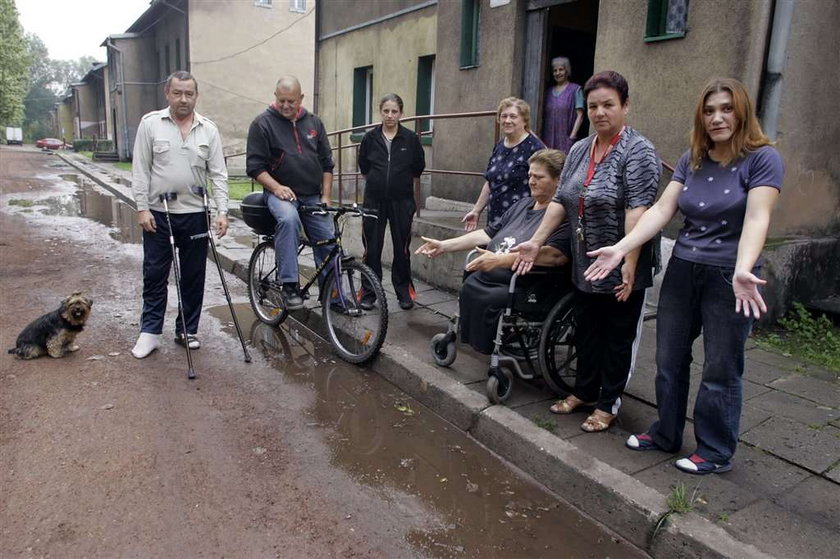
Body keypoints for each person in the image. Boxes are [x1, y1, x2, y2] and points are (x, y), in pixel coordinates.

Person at [584, 78, 784, 474]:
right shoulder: (694, 156)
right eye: (709, 111)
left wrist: (744, 267)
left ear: (742, 111)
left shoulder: (762, 159)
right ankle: (665, 433)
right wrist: (623, 247)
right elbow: (661, 211)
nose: (717, 118)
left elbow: (758, 218)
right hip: (684, 269)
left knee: (720, 367)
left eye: (726, 109)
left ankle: (714, 450)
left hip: (731, 275)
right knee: (669, 358)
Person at [513, 71, 661, 433]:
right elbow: (562, 199)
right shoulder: (580, 149)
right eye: (593, 106)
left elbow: (638, 212)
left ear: (625, 106)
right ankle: (583, 391)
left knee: (616, 337)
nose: (599, 112)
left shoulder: (638, 152)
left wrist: (629, 264)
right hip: (585, 262)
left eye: (608, 105)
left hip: (624, 264)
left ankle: (608, 403)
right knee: (586, 331)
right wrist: (538, 241)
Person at [417, 149, 570, 354]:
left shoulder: (562, 216)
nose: (531, 181)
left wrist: (499, 260)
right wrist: (445, 245)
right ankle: (472, 337)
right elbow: (487, 234)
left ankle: (489, 346)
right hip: (494, 274)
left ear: (558, 180)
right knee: (471, 281)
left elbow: (555, 256)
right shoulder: (523, 205)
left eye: (539, 177)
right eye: (530, 176)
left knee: (488, 296)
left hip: (525, 283)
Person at [130, 71, 229, 359]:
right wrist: (142, 207)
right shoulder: (151, 124)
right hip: (159, 213)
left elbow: (219, 174)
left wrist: (222, 212)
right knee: (155, 272)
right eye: (178, 93)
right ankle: (149, 332)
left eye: (189, 93)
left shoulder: (209, 129)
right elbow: (140, 169)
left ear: (196, 96)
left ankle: (187, 329)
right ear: (167, 94)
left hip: (196, 212)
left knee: (194, 275)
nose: (183, 99)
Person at [246, 75, 335, 310]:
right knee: (288, 219)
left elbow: (327, 164)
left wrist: (325, 196)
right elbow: (255, 167)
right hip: (279, 194)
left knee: (328, 237)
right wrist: (276, 187)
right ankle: (289, 285)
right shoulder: (262, 124)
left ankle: (332, 297)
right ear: (275, 97)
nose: (286, 106)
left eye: (291, 101)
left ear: (301, 99)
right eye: (281, 100)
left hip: (312, 195)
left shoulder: (314, 123)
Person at [358, 93, 426, 310]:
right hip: (374, 201)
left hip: (402, 202)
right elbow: (364, 168)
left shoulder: (410, 139)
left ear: (401, 113)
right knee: (372, 248)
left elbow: (418, 167)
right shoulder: (370, 138)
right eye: (386, 111)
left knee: (402, 249)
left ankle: (404, 292)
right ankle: (369, 293)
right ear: (381, 112)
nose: (389, 115)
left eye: (394, 111)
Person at [462, 97, 546, 232]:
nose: (507, 121)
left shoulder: (535, 148)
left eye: (513, 116)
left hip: (521, 220)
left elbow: (546, 186)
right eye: (504, 116)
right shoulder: (500, 146)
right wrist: (476, 210)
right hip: (495, 218)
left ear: (524, 120)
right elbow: (491, 181)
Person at [543, 56, 584, 154]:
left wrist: (571, 137)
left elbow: (580, 115)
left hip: (565, 141)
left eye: (561, 69)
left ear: (567, 71)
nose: (558, 73)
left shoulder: (576, 90)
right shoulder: (547, 92)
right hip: (547, 140)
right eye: (555, 70)